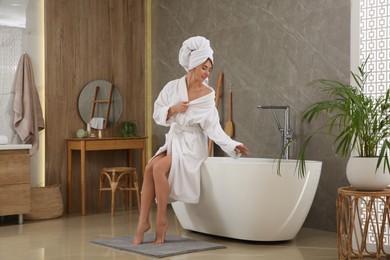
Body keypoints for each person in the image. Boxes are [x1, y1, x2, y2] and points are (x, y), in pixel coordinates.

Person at [132, 36, 249, 245]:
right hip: (176, 138)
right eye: (204, 67)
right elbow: (157, 111)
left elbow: (213, 127)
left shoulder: (207, 94)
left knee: (159, 169)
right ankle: (143, 222)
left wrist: (232, 144)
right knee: (150, 167)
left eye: (209, 70)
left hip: (193, 145)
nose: (206, 73)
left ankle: (161, 221)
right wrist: (173, 109)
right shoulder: (172, 87)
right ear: (194, 65)